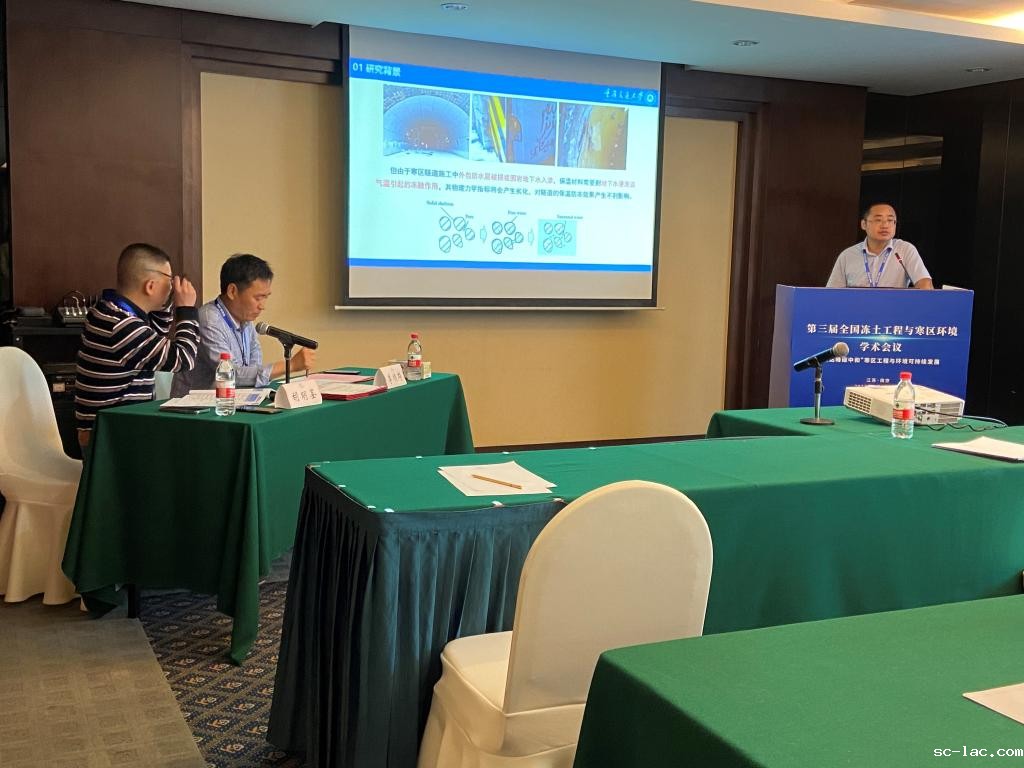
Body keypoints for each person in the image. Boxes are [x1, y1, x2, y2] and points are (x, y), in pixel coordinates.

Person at [75, 243, 199, 447]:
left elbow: (156, 335)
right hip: (110, 440)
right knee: (191, 444)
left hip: (119, 429)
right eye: (168, 282)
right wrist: (186, 310)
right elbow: (183, 360)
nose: (171, 288)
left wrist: (169, 301)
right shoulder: (120, 325)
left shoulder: (110, 310)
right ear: (150, 286)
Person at [171, 253, 316, 396]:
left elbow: (253, 367)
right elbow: (229, 374)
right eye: (258, 298)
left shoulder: (245, 320)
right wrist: (290, 365)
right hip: (195, 407)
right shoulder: (209, 320)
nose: (262, 306)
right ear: (232, 291)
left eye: (265, 297)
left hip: (233, 402)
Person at [827, 203, 934, 289]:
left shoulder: (905, 250)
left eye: (890, 220)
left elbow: (925, 284)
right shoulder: (847, 255)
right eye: (878, 220)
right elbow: (832, 293)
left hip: (894, 308)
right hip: (857, 308)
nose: (885, 225)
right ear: (863, 224)